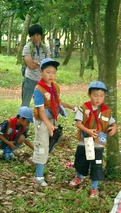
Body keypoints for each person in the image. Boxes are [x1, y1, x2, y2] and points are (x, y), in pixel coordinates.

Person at [32, 58, 76, 187]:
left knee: (48, 144)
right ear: (41, 72)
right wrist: (49, 125)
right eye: (48, 72)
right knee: (42, 145)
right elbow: (40, 111)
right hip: (42, 120)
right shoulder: (38, 89)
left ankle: (36, 161)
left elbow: (57, 102)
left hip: (51, 119)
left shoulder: (55, 86)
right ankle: (38, 176)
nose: (51, 75)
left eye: (53, 72)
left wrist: (69, 106)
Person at [69, 81, 117, 198]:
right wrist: (88, 130)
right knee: (81, 161)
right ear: (89, 95)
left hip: (98, 144)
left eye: (101, 96)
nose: (98, 98)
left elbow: (113, 123)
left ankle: (94, 188)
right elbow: (78, 123)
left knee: (96, 165)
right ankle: (78, 177)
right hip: (84, 141)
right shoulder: (84, 108)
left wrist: (114, 128)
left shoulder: (107, 110)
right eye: (95, 95)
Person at [21, 24, 51, 107]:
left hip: (42, 80)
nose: (35, 38)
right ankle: (22, 119)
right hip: (30, 79)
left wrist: (37, 62)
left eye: (37, 35)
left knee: (43, 104)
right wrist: (41, 63)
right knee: (25, 104)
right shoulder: (27, 47)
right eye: (33, 36)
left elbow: (48, 65)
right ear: (30, 37)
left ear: (41, 35)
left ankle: (40, 119)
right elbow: (31, 66)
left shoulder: (45, 48)